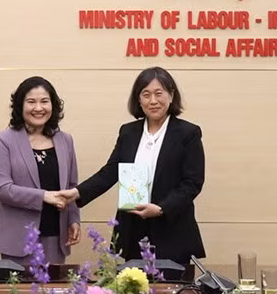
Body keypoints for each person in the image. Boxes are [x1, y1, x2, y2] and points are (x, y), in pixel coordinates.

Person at [58, 67, 205, 266]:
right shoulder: (129, 132)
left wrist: (161, 208)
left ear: (171, 95)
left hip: (173, 230)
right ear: (138, 100)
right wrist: (77, 193)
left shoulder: (188, 133)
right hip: (132, 230)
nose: (153, 101)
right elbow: (110, 172)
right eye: (146, 94)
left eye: (159, 93)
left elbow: (192, 183)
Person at [0, 76, 81, 266]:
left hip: (56, 236)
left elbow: (71, 186)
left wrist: (74, 219)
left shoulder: (65, 140)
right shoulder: (4, 140)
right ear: (20, 106)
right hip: (18, 239)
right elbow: (1, 188)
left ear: (53, 105)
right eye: (31, 102)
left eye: (44, 101)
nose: (38, 108)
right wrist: (43, 196)